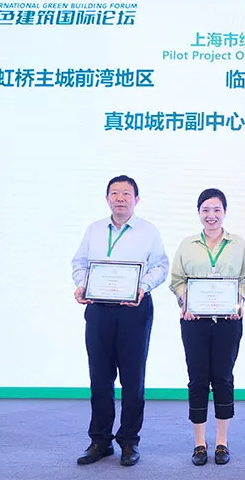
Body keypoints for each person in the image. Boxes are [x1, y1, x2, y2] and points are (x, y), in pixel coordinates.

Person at [71, 175, 170, 467]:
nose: (120, 198)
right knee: (100, 377)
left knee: (132, 379)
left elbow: (161, 266)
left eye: (126, 194)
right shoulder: (94, 230)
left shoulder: (148, 231)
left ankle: (128, 441)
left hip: (134, 310)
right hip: (99, 310)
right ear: (107, 199)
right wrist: (83, 284)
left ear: (136, 199)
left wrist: (143, 287)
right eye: (114, 193)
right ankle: (100, 441)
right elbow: (79, 263)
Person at [169, 188, 245, 466]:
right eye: (205, 210)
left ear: (224, 212)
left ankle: (221, 442)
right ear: (199, 213)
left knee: (223, 378)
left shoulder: (238, 244)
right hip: (194, 322)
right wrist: (185, 301)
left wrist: (238, 301)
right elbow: (177, 280)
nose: (211, 215)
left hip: (228, 322)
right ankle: (199, 443)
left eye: (216, 209)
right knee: (197, 379)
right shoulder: (187, 244)